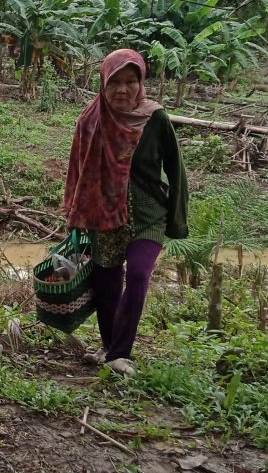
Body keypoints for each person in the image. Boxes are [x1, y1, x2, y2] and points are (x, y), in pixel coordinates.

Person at [62, 49, 188, 377]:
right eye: (115, 82)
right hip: (104, 215)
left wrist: (176, 218)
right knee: (106, 280)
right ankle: (109, 347)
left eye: (131, 81)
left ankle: (120, 352)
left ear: (141, 83)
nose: (123, 89)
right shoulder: (91, 120)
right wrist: (76, 217)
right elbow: (78, 170)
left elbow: (176, 169)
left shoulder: (155, 118)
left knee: (138, 275)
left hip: (149, 215)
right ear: (103, 84)